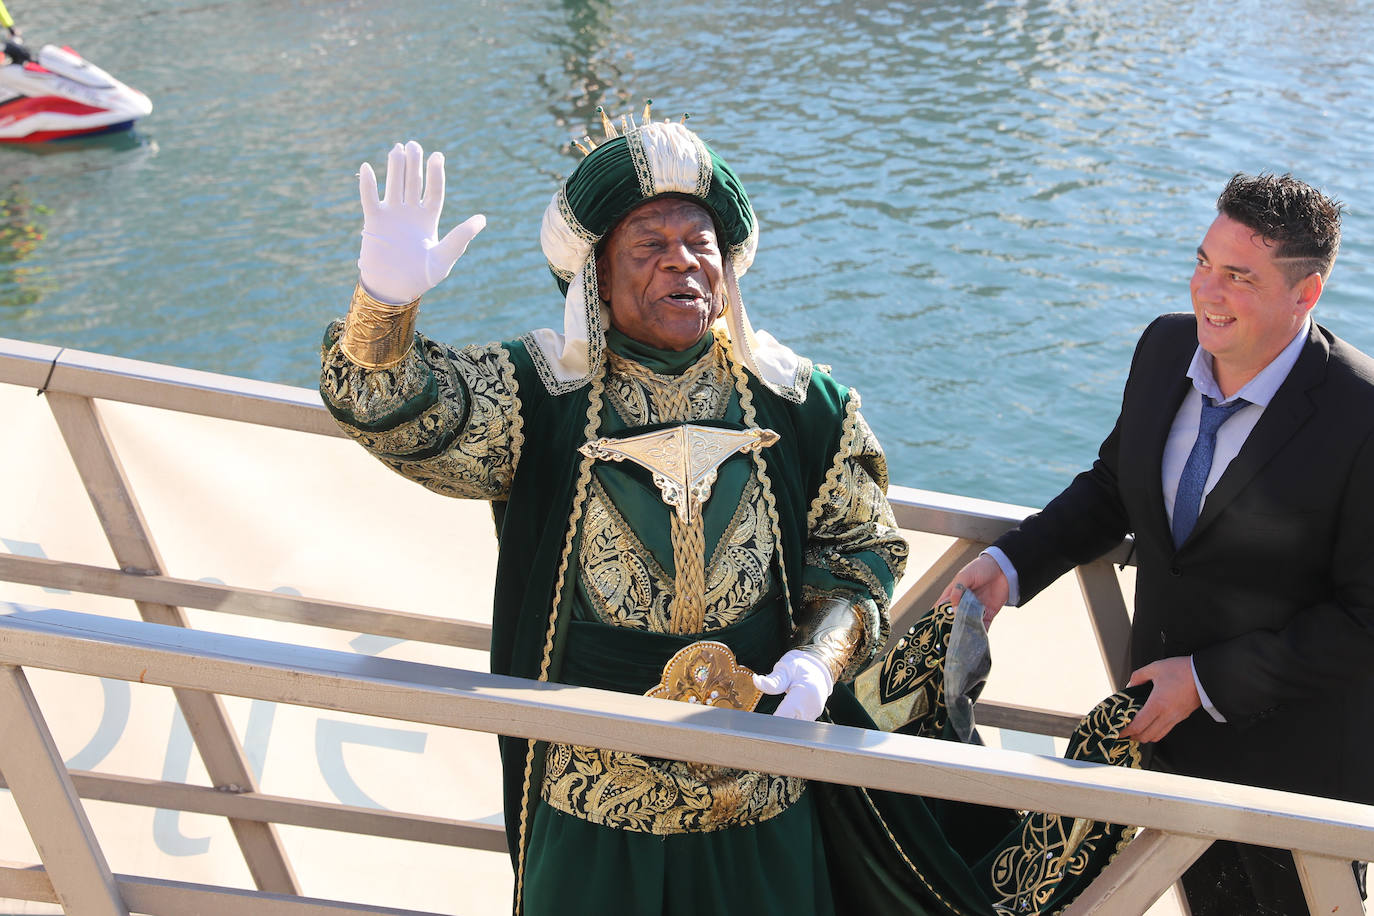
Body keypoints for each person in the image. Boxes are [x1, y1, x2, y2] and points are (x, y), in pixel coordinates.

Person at [319, 109, 909, 915]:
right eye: (650, 246)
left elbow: (860, 550)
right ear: (594, 271)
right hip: (592, 795)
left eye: (701, 244)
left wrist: (820, 659)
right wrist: (384, 306)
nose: (683, 266)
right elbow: (396, 410)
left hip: (763, 784)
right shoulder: (539, 392)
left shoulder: (801, 402)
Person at [941, 172, 1374, 915]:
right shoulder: (1165, 344)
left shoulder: (1361, 414)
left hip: (1300, 782)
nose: (1209, 290)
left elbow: (1365, 621)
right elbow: (1115, 487)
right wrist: (1014, 564)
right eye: (1204, 262)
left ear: (1306, 294)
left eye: (1239, 276)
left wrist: (1206, 681)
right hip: (1168, 753)